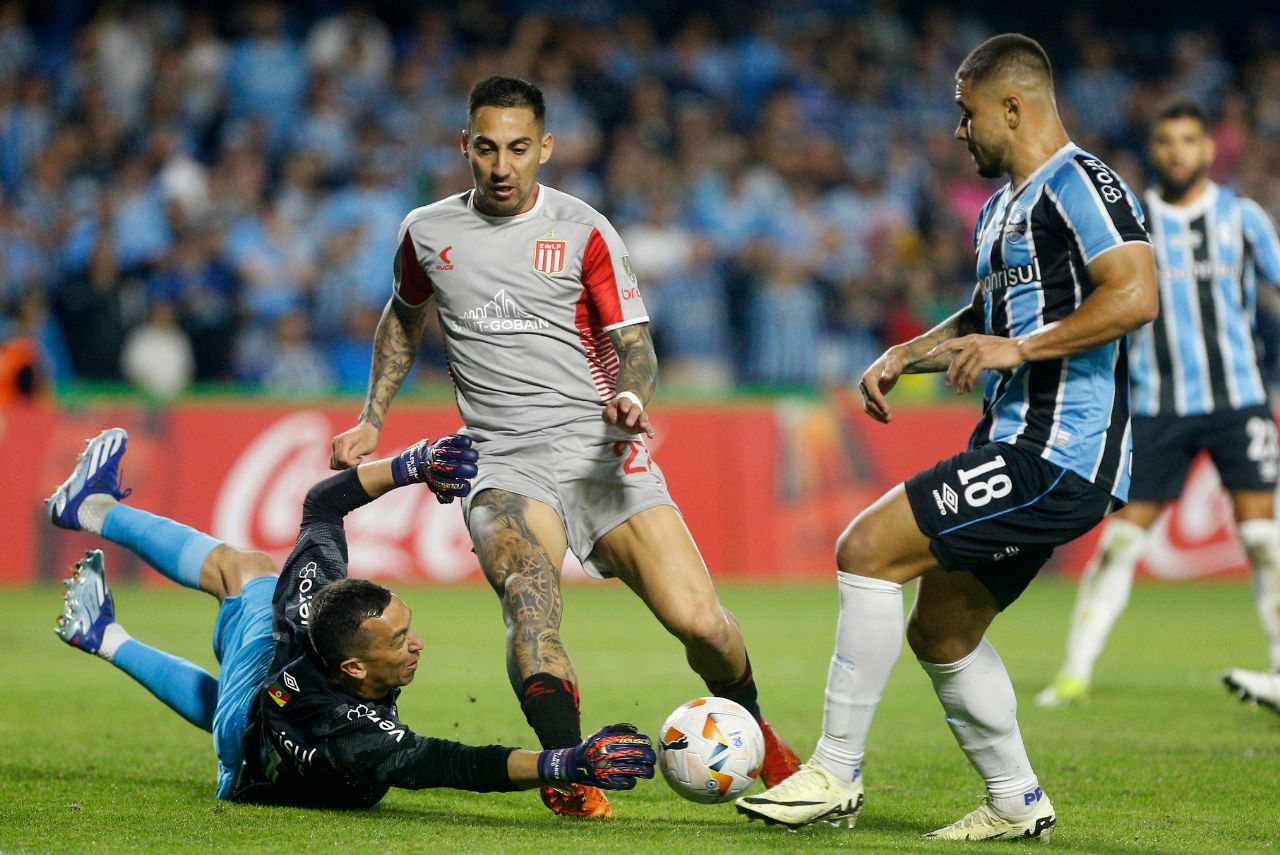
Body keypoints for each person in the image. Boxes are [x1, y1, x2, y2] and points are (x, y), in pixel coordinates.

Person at [329, 75, 800, 819]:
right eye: (487, 148)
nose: (502, 165)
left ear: (545, 147)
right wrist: (371, 416)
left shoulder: (584, 229)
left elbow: (635, 346)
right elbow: (402, 316)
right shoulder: (427, 232)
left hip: (600, 452)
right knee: (530, 600)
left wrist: (634, 397)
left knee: (701, 622)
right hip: (502, 460)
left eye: (519, 148)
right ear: (465, 146)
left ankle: (761, 731)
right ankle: (568, 769)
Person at [735, 33, 1157, 840]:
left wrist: (1022, 349)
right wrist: (908, 352)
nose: (959, 133)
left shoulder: (1083, 183)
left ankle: (832, 771)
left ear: (1011, 106)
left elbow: (1135, 294)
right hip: (1015, 443)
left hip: (1058, 448)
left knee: (865, 548)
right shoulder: (1004, 207)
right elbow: (987, 319)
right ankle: (1016, 800)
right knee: (943, 630)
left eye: (967, 116)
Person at [48, 427, 655, 807]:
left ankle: (96, 566)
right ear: (353, 667)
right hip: (260, 752)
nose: (417, 644)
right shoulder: (356, 739)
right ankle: (97, 568)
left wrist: (411, 465)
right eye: (399, 640)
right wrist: (563, 762)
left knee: (251, 572)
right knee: (233, 707)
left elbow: (322, 500)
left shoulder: (314, 602)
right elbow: (453, 763)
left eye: (408, 623)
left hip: (274, 685)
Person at [1036, 100, 1280, 712]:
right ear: (1154, 149)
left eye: (1189, 139)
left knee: (1261, 537)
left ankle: (1279, 672)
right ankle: (1074, 672)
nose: (1177, 151)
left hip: (1239, 400)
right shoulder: (1131, 219)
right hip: (1157, 406)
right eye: (1166, 140)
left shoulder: (1242, 218)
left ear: (1207, 149)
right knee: (1121, 543)